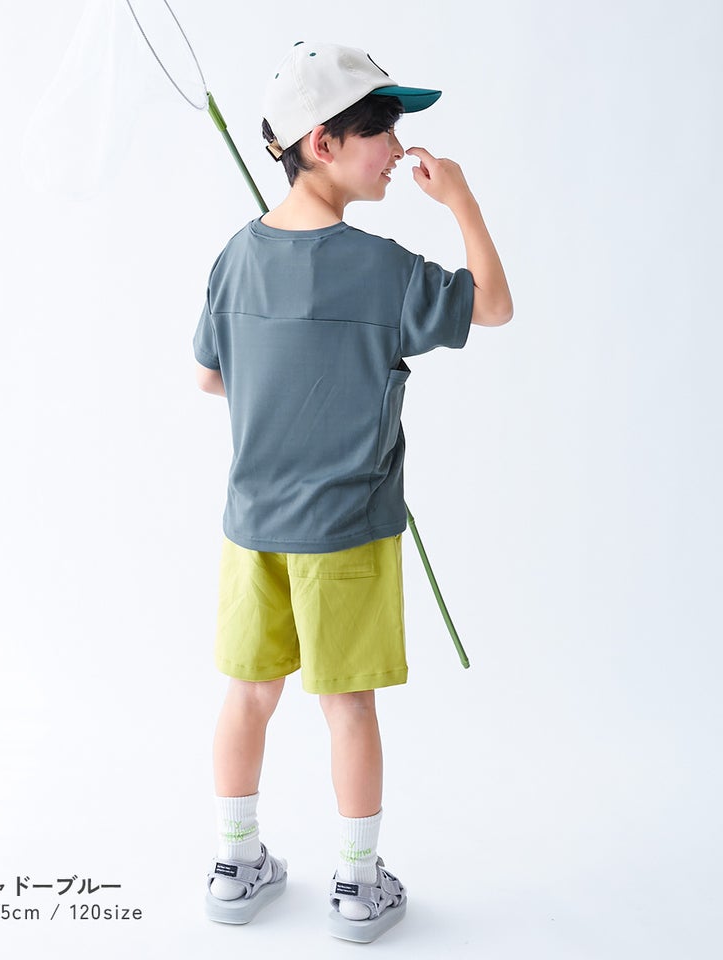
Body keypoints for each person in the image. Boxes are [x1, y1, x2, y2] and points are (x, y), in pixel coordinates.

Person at [193, 41, 512, 943]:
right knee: (348, 707)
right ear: (322, 144)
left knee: (248, 694)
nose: (397, 147)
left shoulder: (236, 256)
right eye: (380, 129)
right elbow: (492, 305)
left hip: (252, 527)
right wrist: (461, 202)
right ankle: (357, 886)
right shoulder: (382, 269)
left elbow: (211, 376)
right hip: (347, 530)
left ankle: (234, 866)